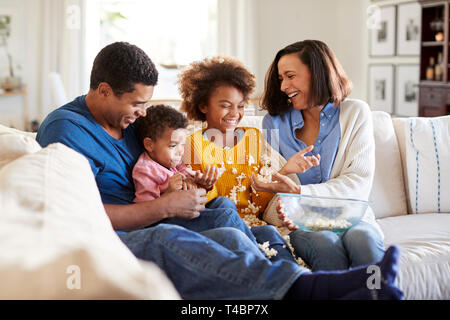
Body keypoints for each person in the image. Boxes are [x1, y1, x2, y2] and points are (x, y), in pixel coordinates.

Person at [36, 41, 403, 300]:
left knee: (226, 215)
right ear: (103, 90)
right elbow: (73, 214)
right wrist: (165, 207)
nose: (144, 112)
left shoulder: (133, 123)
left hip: (154, 213)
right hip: (112, 234)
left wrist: (185, 184)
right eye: (137, 103)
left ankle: (288, 274)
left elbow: (166, 162)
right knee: (169, 241)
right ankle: (309, 289)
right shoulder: (66, 130)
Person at [251, 40, 386, 272]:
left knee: (364, 240)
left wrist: (300, 192)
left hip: (352, 214)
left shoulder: (355, 113)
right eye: (281, 78)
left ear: (318, 74)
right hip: (302, 222)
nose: (283, 86)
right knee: (325, 244)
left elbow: (358, 184)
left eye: (290, 76)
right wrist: (284, 186)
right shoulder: (273, 123)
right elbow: (269, 194)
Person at [178, 55, 320, 261]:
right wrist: (205, 187)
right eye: (226, 105)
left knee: (273, 237)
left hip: (258, 226)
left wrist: (285, 170)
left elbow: (260, 199)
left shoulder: (253, 137)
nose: (235, 113)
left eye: (241, 105)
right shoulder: (192, 145)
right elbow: (208, 206)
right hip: (223, 229)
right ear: (203, 106)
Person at [132, 104, 255, 239]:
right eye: (173, 146)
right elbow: (144, 213)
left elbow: (193, 190)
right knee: (226, 216)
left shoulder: (175, 162)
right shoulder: (145, 170)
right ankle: (257, 252)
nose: (180, 152)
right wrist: (169, 193)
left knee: (225, 203)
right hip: (168, 224)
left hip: (188, 213)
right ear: (149, 145)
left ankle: (253, 241)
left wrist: (203, 184)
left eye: (183, 145)